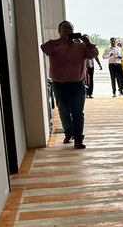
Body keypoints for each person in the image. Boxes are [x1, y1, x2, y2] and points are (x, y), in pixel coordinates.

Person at [40, 20, 99, 149]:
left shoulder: (81, 46)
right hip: (59, 84)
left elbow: (94, 54)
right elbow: (44, 48)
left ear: (74, 31)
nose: (67, 30)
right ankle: (68, 132)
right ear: (59, 31)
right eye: (64, 28)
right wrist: (60, 40)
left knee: (78, 112)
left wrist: (87, 42)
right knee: (63, 110)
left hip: (77, 84)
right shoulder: (54, 46)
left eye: (70, 28)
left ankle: (78, 138)